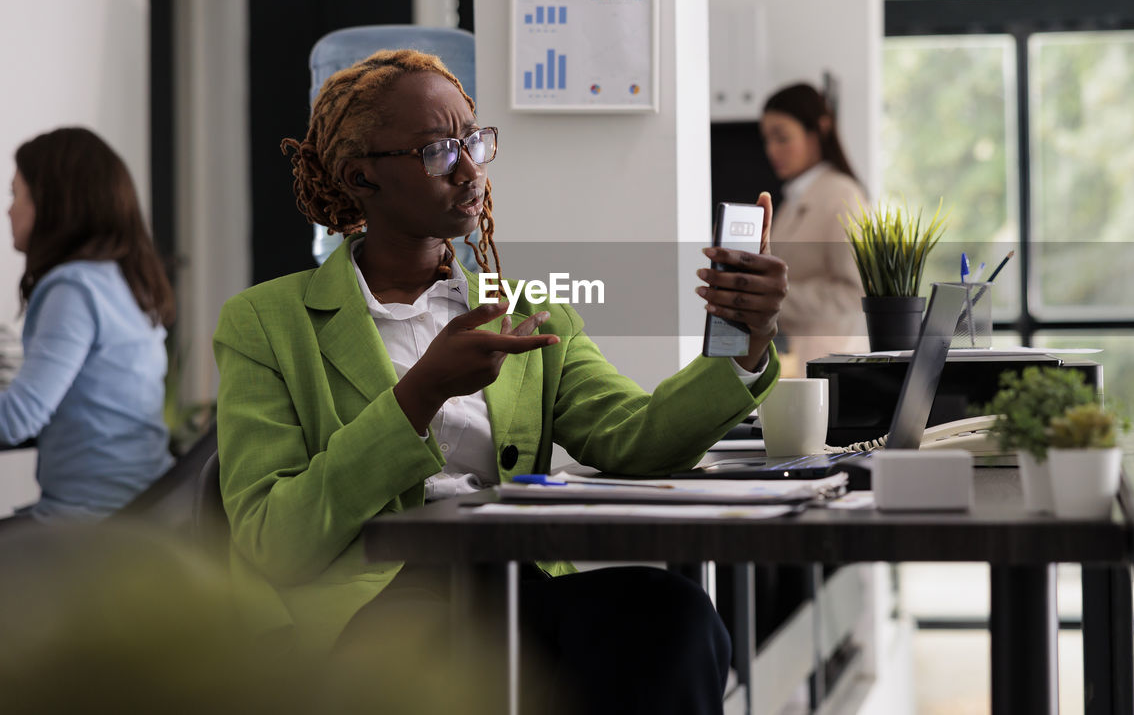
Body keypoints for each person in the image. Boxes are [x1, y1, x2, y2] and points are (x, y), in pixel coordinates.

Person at [213, 49, 787, 714]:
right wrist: (417, 396)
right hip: (377, 609)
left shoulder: (527, 313)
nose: (468, 168)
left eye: (474, 141)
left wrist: (743, 339)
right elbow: (270, 540)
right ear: (361, 176)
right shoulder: (265, 323)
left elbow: (638, 438)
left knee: (675, 618)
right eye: (436, 151)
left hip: (517, 586)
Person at [0, 127, 174, 523]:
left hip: (93, 527)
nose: (8, 209)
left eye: (15, 194)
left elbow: (16, 419)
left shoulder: (74, 288)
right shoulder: (123, 281)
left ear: (52, 202)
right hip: (146, 513)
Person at [760, 83, 870, 373]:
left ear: (819, 130)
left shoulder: (842, 195)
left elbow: (856, 293)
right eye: (767, 140)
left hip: (833, 363)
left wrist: (771, 298)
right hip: (798, 361)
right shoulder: (792, 199)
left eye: (782, 138)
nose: (772, 150)